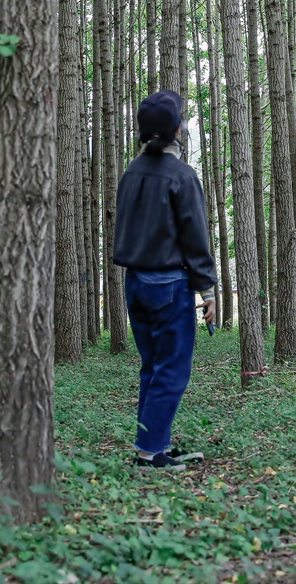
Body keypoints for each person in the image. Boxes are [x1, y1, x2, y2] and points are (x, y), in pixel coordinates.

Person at [113, 89, 217, 471]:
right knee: (171, 371)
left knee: (153, 367)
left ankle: (155, 444)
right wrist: (207, 289)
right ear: (175, 130)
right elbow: (196, 238)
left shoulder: (131, 172)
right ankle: (149, 454)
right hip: (169, 285)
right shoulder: (181, 176)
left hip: (136, 284)